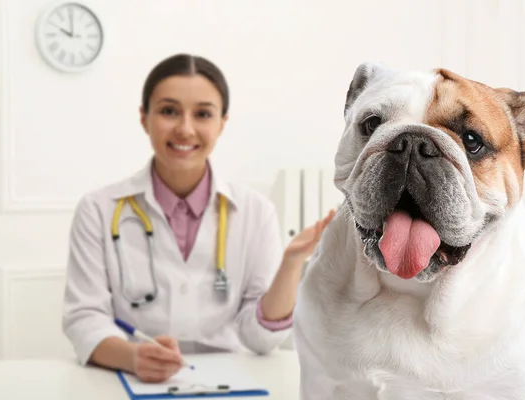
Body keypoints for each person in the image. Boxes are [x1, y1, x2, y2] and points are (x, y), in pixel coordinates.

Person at [61, 53, 335, 383]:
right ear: (144, 118)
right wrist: (133, 357)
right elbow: (84, 318)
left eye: (203, 114)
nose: (185, 128)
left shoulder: (255, 211)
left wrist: (291, 264)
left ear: (221, 123)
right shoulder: (98, 209)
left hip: (230, 381)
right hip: (129, 380)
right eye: (168, 111)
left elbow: (260, 339)